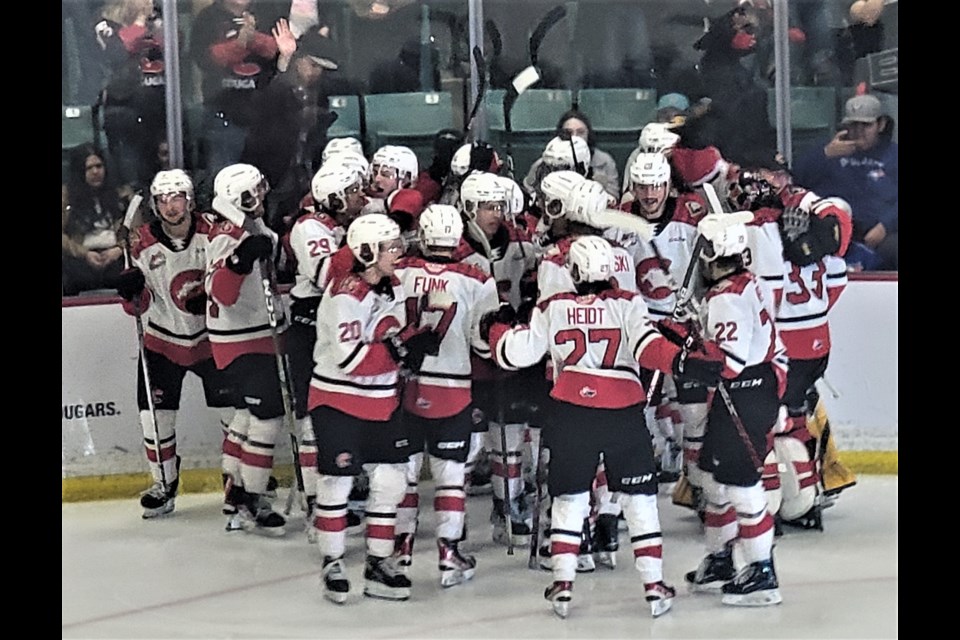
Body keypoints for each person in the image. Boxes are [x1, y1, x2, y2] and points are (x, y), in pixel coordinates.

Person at [485, 235, 724, 619]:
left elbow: (518, 353)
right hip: (622, 413)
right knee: (640, 501)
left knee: (570, 500)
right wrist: (683, 362)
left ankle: (562, 585)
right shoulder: (629, 304)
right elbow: (649, 349)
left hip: (570, 413)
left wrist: (495, 330)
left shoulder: (554, 306)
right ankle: (653, 585)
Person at [307, 213, 441, 604]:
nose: (398, 253)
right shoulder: (344, 294)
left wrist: (418, 338)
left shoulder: (393, 284)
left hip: (383, 401)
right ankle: (332, 561)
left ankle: (378, 563)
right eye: (390, 247)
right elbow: (350, 360)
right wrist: (402, 351)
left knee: (392, 482)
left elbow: (391, 336)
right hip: (338, 400)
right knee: (337, 482)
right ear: (367, 253)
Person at [115, 169, 242, 519]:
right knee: (154, 421)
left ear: (190, 199)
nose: (171, 206)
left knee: (233, 418)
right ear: (155, 205)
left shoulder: (212, 232)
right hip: (162, 343)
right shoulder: (140, 243)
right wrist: (130, 291)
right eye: (163, 200)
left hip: (211, 341)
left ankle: (237, 482)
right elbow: (136, 306)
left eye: (177, 198)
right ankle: (164, 485)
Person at [392, 204, 501, 587]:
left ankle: (401, 546)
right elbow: (483, 344)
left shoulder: (400, 270)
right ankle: (448, 553)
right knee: (450, 475)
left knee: (404, 475)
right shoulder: (476, 277)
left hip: (404, 384)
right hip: (453, 387)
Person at [683, 213, 787, 608]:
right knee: (712, 479)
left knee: (742, 487)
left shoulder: (725, 297)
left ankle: (762, 571)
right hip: (748, 391)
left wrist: (685, 349)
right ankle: (722, 558)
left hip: (745, 393)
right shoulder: (746, 282)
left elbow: (729, 362)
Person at [283, 163, 367, 543]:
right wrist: (360, 242)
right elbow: (323, 276)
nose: (359, 197)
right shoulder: (309, 227)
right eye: (351, 191)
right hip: (308, 323)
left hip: (337, 319)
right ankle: (318, 501)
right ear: (333, 196)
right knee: (311, 416)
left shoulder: (346, 223)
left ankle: (346, 490)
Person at [205, 163, 288, 536]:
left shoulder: (251, 228)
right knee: (267, 418)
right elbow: (220, 292)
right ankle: (253, 495)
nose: (263, 194)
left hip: (250, 336)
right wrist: (240, 261)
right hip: (242, 340)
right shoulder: (228, 235)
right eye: (257, 189)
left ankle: (235, 488)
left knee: (245, 415)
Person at [242, 23, 341, 231]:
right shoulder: (279, 85)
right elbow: (265, 103)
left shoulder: (320, 92)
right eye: (313, 65)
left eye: (321, 69)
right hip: (273, 166)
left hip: (302, 168)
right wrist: (284, 60)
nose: (316, 73)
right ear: (300, 60)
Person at [792, 92, 897, 271]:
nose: (859, 131)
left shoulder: (893, 154)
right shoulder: (828, 150)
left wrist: (885, 226)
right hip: (830, 230)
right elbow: (797, 179)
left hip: (877, 231)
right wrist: (824, 155)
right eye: (853, 125)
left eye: (866, 125)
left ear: (881, 124)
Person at [190, 0, 281, 182]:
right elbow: (206, 59)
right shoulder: (208, 17)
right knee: (224, 180)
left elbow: (279, 52)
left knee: (265, 180)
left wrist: (254, 39)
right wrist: (240, 44)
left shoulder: (268, 11)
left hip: (265, 114)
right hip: (223, 112)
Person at [94, 0, 167, 190]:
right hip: (125, 112)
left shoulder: (159, 20)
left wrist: (157, 28)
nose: (149, 2)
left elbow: (176, 46)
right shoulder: (104, 23)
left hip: (160, 112)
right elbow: (116, 54)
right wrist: (140, 22)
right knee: (133, 181)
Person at [62, 143, 136, 296]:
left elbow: (137, 232)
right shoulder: (66, 197)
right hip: (80, 258)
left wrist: (119, 249)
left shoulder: (122, 194)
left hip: (116, 256)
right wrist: (84, 254)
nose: (95, 172)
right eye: (89, 168)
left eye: (99, 166)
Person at [523, 112, 619, 199]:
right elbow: (529, 191)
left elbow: (613, 197)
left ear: (588, 135)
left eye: (580, 132)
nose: (575, 137)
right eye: (569, 133)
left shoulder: (605, 162)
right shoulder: (545, 162)